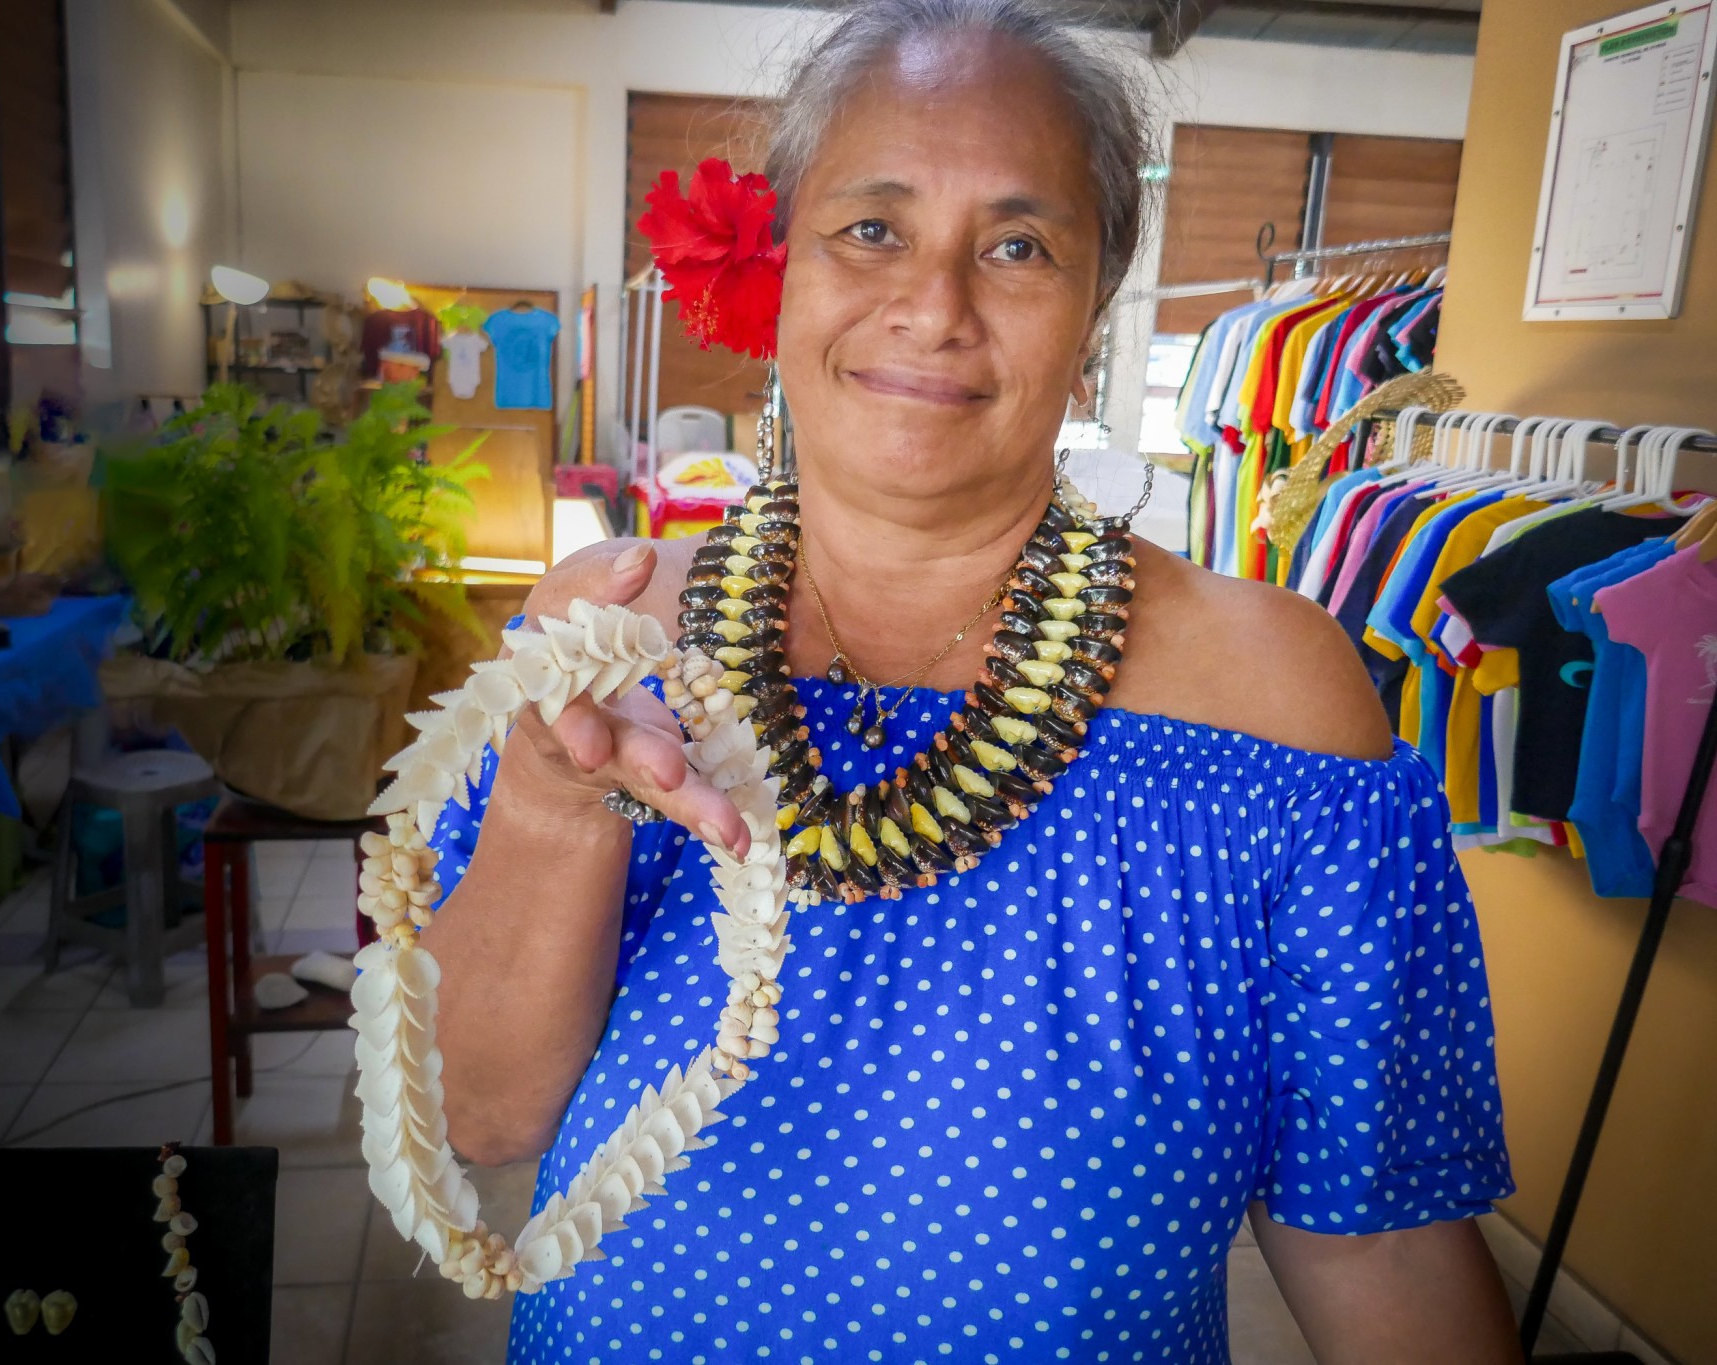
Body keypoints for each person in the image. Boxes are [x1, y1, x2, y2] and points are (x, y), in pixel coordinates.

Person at [418, 2, 1520, 1360]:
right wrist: (552, 798)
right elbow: (481, 1117)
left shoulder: (1274, 698)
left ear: (1094, 307)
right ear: (785, 268)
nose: (933, 307)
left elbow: (1384, 1234)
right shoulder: (617, 636)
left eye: (1016, 246)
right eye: (872, 228)